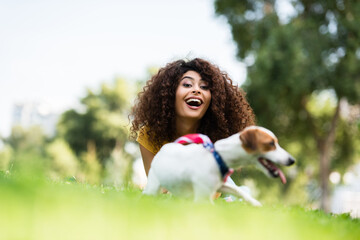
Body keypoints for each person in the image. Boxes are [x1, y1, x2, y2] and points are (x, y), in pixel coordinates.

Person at [130, 58, 255, 176]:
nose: (196, 90)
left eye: (204, 87)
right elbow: (157, 188)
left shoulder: (217, 140)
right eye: (187, 84)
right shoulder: (150, 135)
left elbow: (211, 191)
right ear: (170, 93)